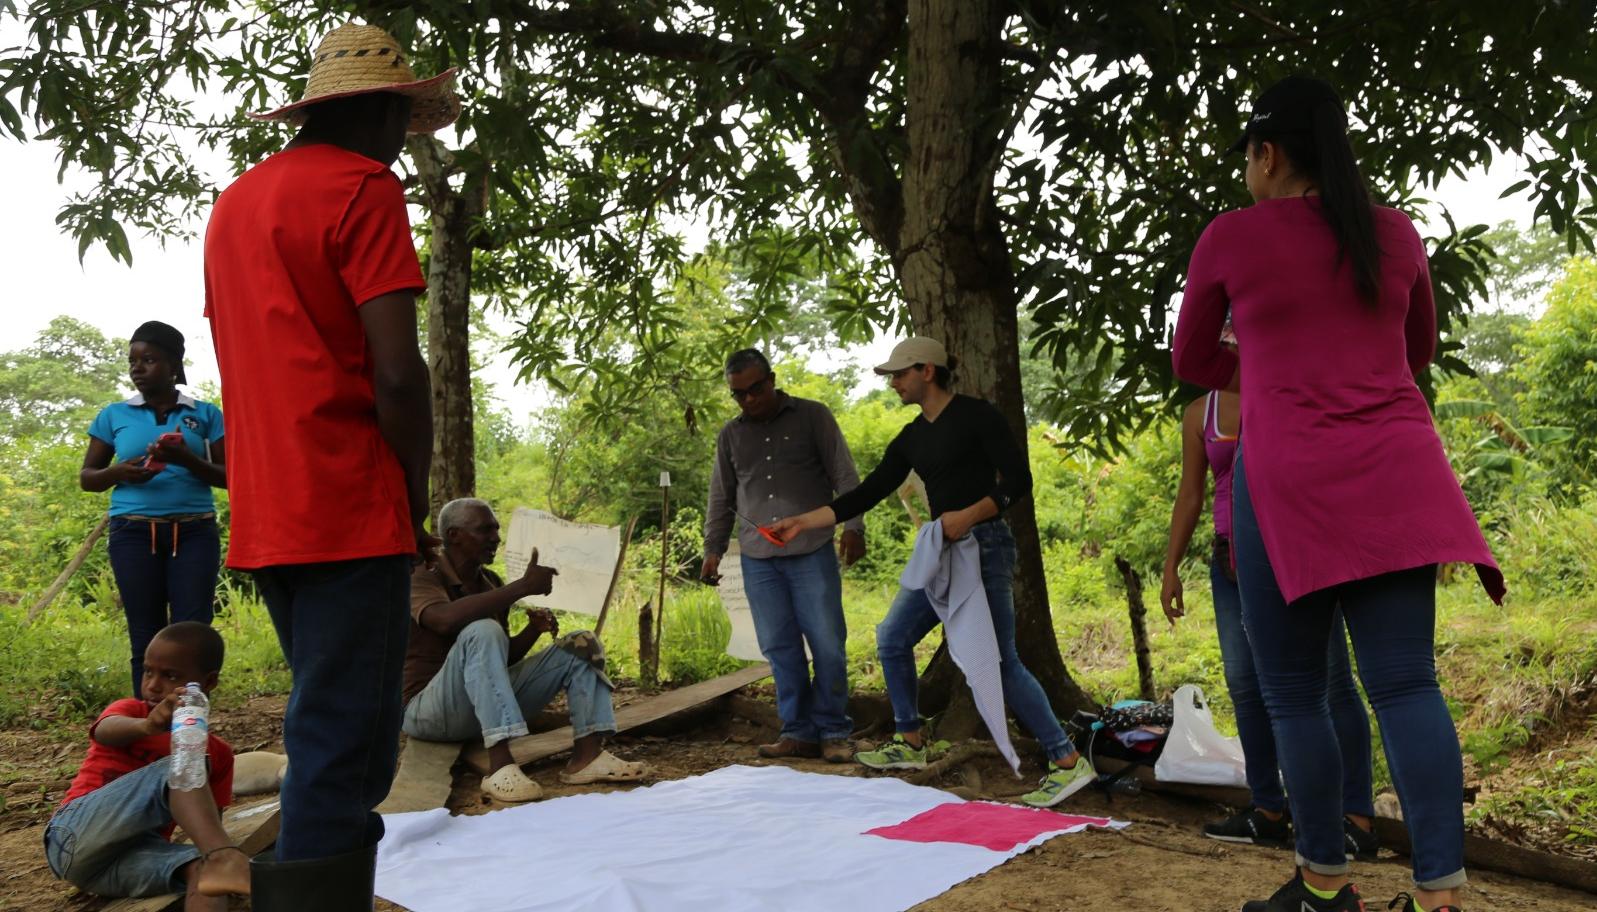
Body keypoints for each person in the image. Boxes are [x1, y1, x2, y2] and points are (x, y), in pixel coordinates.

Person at [1172, 75, 1504, 912]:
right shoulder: (1394, 233)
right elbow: (1416, 348)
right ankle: (1441, 898)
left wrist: (1266, 365)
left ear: (1267, 153)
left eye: (1247, 156)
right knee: (1404, 683)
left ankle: (1323, 884)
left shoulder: (1231, 237)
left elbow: (1191, 362)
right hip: (1399, 468)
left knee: (1292, 691)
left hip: (1286, 476)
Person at [203, 22, 455, 903]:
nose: (403, 138)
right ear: (383, 110)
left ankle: (301, 882)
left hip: (269, 511)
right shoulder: (363, 187)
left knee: (323, 721)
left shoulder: (235, 202)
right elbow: (397, 370)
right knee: (348, 740)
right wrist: (412, 495)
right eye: (405, 119)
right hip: (346, 502)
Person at [771, 336, 1095, 808]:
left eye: (899, 374)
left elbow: (1019, 481)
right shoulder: (911, 438)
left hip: (984, 548)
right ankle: (910, 741)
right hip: (941, 551)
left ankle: (1066, 760)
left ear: (927, 370)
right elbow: (866, 494)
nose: (894, 383)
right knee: (893, 636)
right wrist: (804, 521)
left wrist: (973, 514)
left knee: (1000, 660)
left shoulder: (976, 416)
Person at [1159, 387, 1378, 858]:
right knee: (1245, 684)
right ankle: (1268, 812)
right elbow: (1191, 492)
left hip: (1300, 556)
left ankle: (1356, 817)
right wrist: (1171, 566)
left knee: (1333, 682)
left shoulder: (1302, 390)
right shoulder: (1202, 412)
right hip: (1231, 566)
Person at [402, 498, 649, 801]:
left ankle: (587, 757)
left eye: (496, 529)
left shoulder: (490, 583)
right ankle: (501, 767)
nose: (495, 537)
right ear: (454, 535)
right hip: (429, 713)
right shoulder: (423, 575)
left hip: (477, 714)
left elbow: (498, 660)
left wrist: (533, 631)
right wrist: (521, 587)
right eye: (485, 530)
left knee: (582, 642)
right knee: (482, 629)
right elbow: (442, 621)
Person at [702, 348, 866, 763]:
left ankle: (832, 730)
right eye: (739, 395)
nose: (749, 400)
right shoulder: (731, 435)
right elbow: (721, 496)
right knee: (779, 646)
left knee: (827, 642)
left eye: (755, 389)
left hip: (811, 550)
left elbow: (845, 475)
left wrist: (853, 526)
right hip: (758, 557)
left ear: (772, 380)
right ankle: (797, 732)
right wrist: (712, 549)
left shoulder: (814, 417)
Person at [45, 622, 247, 910]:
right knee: (183, 760)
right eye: (148, 671)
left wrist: (205, 853)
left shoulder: (218, 754)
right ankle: (225, 857)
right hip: (74, 835)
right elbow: (105, 730)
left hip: (119, 863)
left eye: (170, 675)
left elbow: (207, 822)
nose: (152, 685)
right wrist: (148, 725)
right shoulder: (131, 711)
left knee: (207, 873)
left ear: (209, 682)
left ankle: (219, 862)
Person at [81, 321, 226, 698]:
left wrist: (185, 459)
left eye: (149, 359)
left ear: (175, 365)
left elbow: (230, 477)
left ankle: (190, 731)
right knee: (145, 636)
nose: (138, 368)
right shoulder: (114, 415)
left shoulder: (206, 414)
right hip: (132, 532)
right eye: (133, 361)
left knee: (193, 634)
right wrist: (119, 472)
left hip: (194, 532)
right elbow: (88, 478)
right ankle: (148, 731)